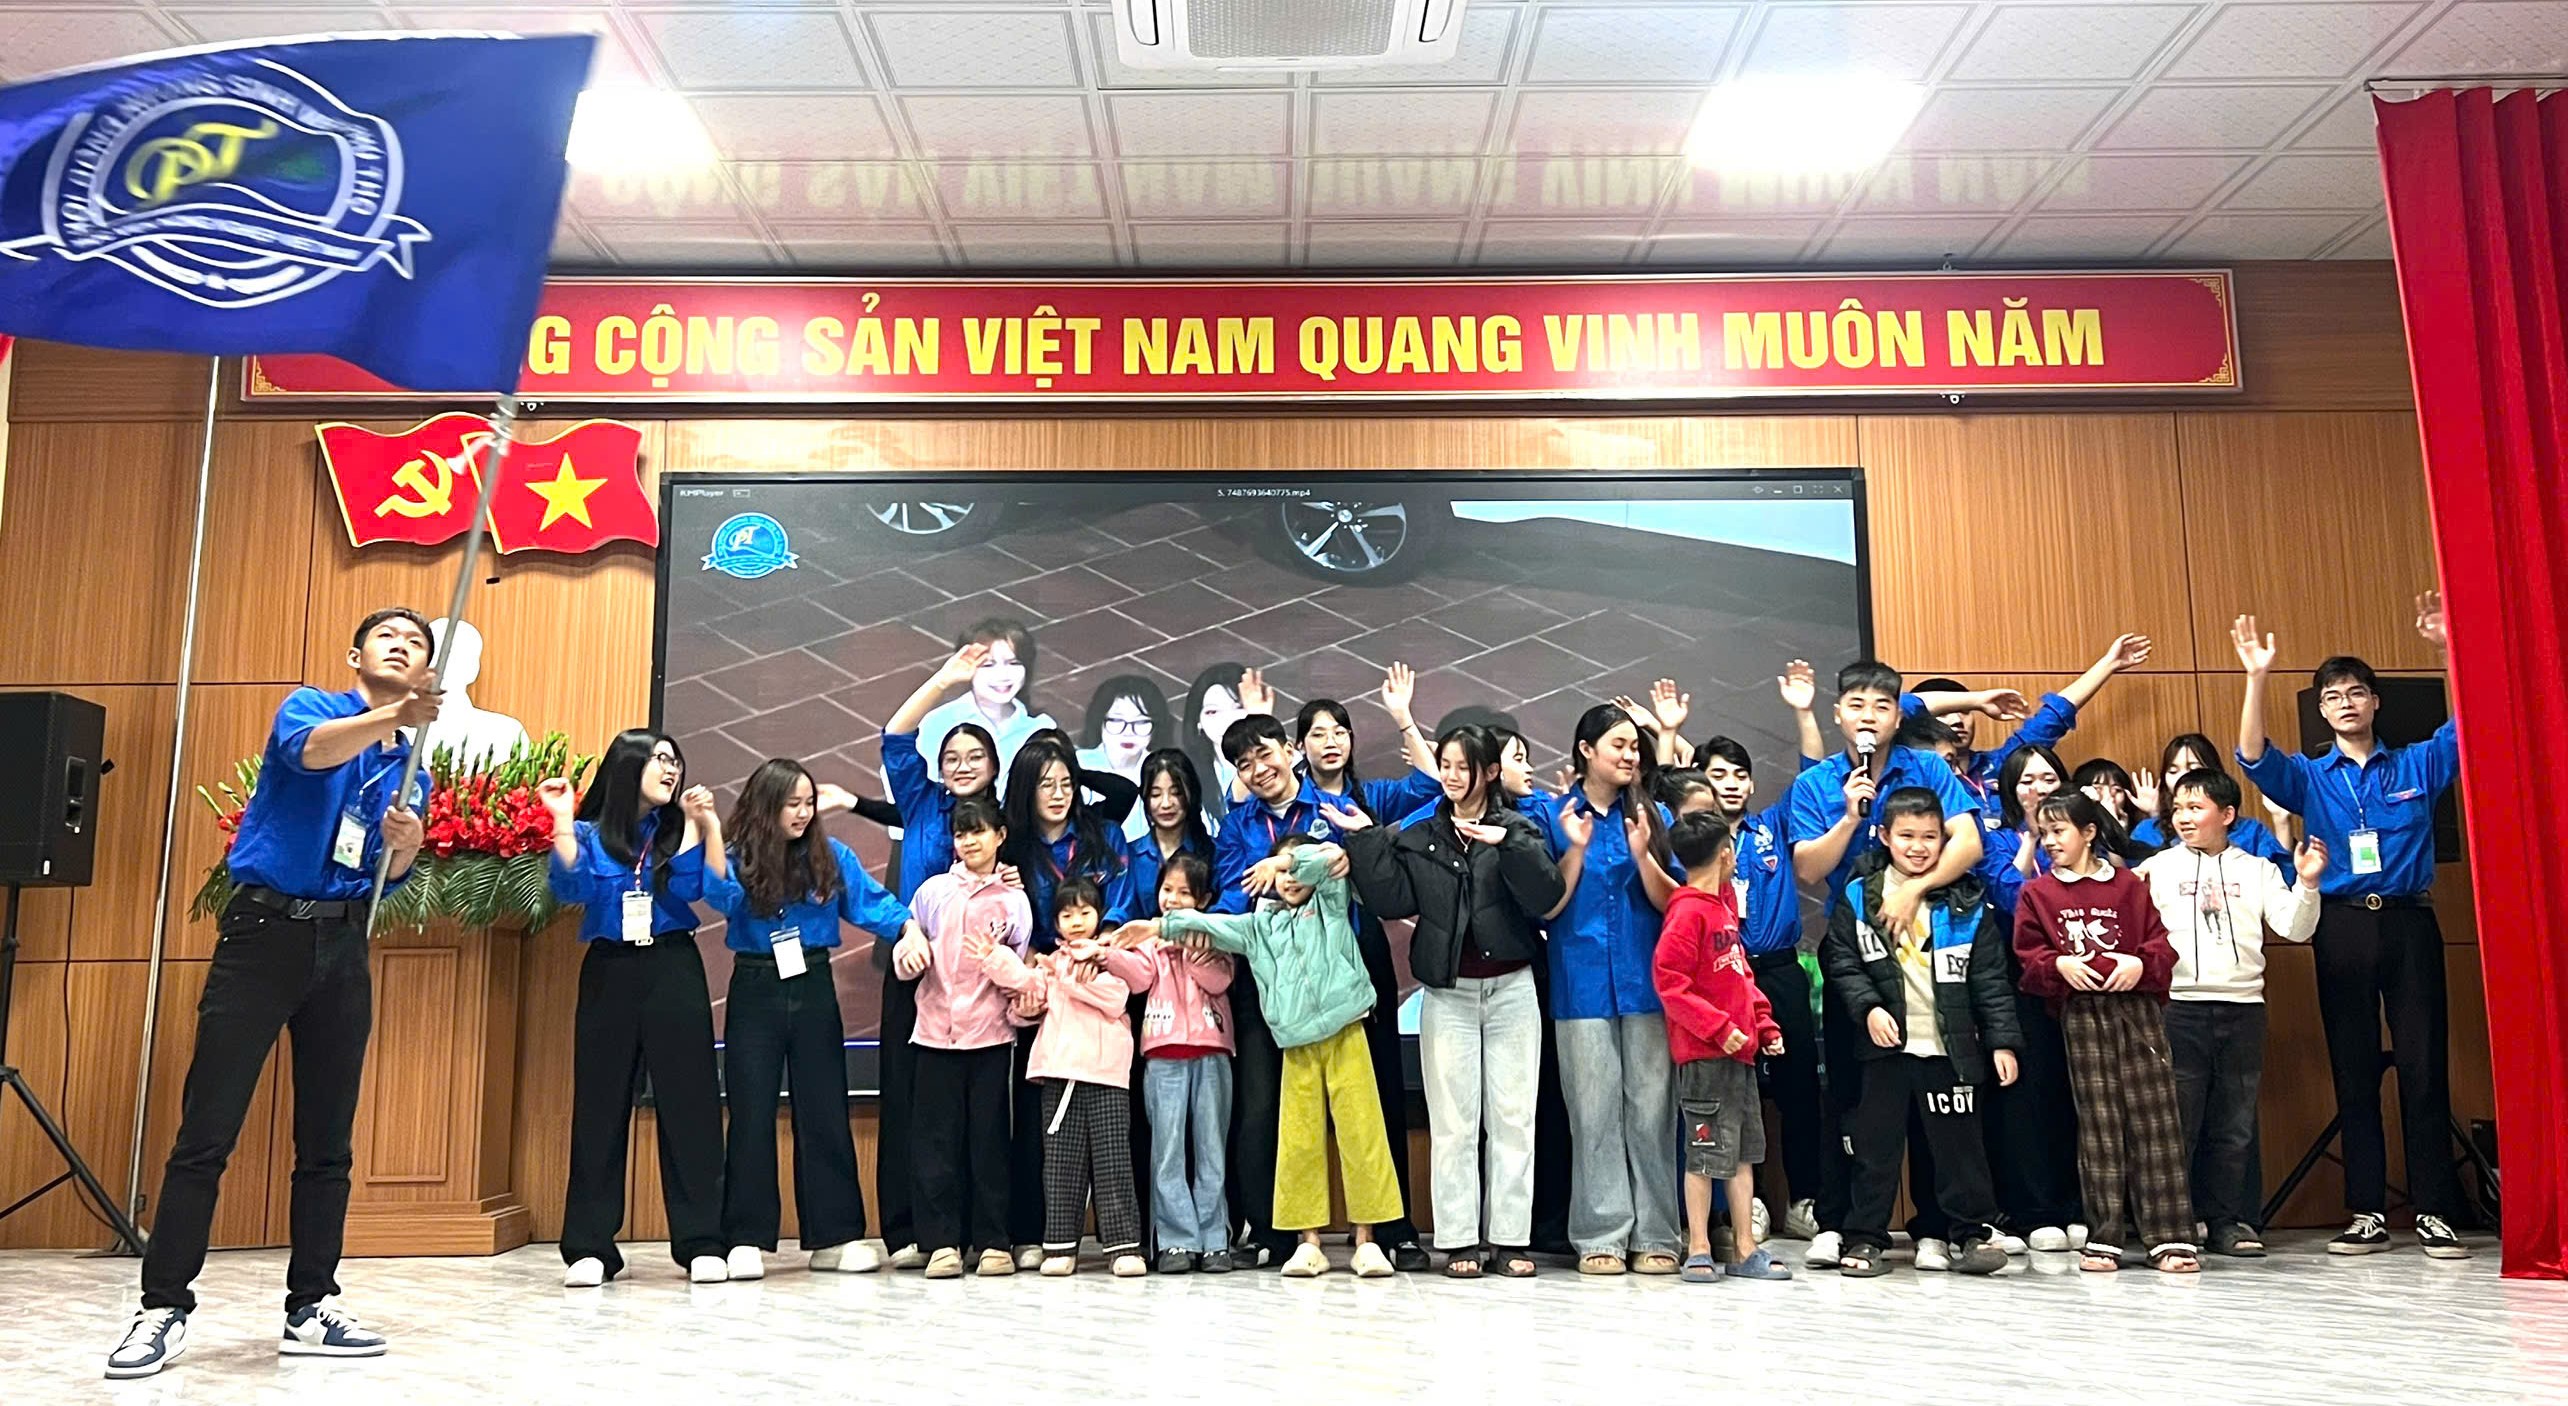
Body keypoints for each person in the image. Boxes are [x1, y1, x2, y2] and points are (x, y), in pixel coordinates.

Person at [108, 608, 439, 1379]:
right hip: (263, 935)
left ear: (427, 669)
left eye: (416, 642)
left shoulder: (411, 769)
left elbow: (387, 877)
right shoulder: (311, 707)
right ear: (354, 654)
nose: (401, 646)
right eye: (387, 637)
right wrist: (395, 714)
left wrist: (406, 849)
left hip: (344, 942)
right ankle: (162, 1307)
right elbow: (313, 754)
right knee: (207, 1129)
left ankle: (311, 1306)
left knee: (328, 1142)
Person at [2232, 599, 2471, 1258]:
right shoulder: (2310, 777)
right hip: (2340, 927)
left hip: (2410, 923)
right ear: (2323, 710)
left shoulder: (2417, 765)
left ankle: (2435, 1211)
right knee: (2354, 1068)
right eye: (2333, 696)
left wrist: (2447, 650)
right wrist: (2256, 677)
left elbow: (2467, 725)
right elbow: (2251, 756)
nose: (2345, 703)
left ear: (2374, 703)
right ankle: (2367, 1209)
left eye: (2356, 693)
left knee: (2424, 1067)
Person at [1344, 724, 1565, 1280]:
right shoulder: (1424, 833)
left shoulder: (1520, 828)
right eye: (1444, 765)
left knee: (1513, 1119)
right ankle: (1460, 1239)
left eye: (1463, 766)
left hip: (1512, 989)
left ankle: (1510, 1239)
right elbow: (1391, 899)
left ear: (1489, 772)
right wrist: (1366, 840)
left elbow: (1545, 896)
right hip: (1449, 993)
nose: (1450, 776)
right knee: (1453, 1123)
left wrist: (1507, 845)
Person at [1784, 661, 1981, 1268]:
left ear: (1899, 716)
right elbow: (1808, 869)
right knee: (1849, 1093)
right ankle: (1840, 1223)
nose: (1869, 717)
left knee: (1931, 1089)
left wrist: (1915, 889)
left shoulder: (1927, 768)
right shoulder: (1817, 783)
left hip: (1925, 942)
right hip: (1853, 948)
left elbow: (1969, 842)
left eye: (1881, 706)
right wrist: (1851, 816)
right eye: (1857, 705)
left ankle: (1935, 1225)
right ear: (1838, 714)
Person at [698, 759, 922, 1281]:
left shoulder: (831, 855)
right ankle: (746, 1237)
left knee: (824, 1108)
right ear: (765, 806)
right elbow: (719, 895)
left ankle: (835, 1236)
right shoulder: (739, 855)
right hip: (755, 987)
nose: (802, 813)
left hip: (814, 985)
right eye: (791, 804)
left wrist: (908, 927)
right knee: (752, 1112)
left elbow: (871, 904)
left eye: (808, 803)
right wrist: (709, 827)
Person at [1148, 836, 1403, 1278]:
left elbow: (1327, 858)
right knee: (1298, 1142)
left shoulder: (1331, 901)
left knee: (1362, 1134)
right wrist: (1154, 927)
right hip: (1296, 1043)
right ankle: (1309, 1243)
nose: (1288, 879)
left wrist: (1281, 860)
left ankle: (1367, 1240)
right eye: (1281, 875)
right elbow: (1208, 925)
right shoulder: (1258, 925)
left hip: (1347, 1032)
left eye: (1292, 872)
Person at [538, 731, 726, 1289]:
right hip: (610, 970)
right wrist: (562, 821)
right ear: (628, 765)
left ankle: (702, 1241)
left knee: (690, 1105)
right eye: (660, 759)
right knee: (600, 1107)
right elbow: (571, 888)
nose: (672, 769)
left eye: (676, 761)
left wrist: (697, 825)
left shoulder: (675, 828)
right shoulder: (589, 833)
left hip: (672, 966)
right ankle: (590, 1247)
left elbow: (695, 890)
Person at [1818, 787, 2019, 1280]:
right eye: (1907, 835)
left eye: (1930, 837)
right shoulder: (1859, 894)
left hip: (1950, 1051)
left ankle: (1971, 1234)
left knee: (1960, 1152)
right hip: (1885, 1052)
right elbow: (1842, 960)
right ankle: (1865, 1238)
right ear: (1885, 836)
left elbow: (1991, 980)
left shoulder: (1968, 901)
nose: (1918, 846)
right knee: (1875, 1150)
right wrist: (1868, 1008)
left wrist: (2002, 1042)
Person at [2134, 770, 2325, 1258]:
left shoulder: (2258, 870)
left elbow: (2296, 929)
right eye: (2178, 808)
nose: (2183, 817)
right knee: (2177, 1123)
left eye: (2195, 808)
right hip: (2177, 1009)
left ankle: (2227, 1222)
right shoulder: (2157, 868)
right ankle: (2173, 1224)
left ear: (2227, 814)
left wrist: (2307, 884)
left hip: (2243, 1010)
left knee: (2234, 1125)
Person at [2013, 793, 2196, 1274]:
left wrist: (2139, 964)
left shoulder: (2127, 885)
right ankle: (2105, 1236)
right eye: (2044, 833)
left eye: (2059, 831)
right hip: (2082, 1012)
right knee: (2099, 1124)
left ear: (2089, 832)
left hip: (2137, 1008)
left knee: (2156, 1119)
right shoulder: (2038, 893)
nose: (2050, 841)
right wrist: (2058, 965)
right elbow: (2029, 960)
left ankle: (2170, 1236)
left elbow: (2161, 946)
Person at [1686, 662, 1830, 1247]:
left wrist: (1803, 711)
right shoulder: (1693, 840)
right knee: (1729, 1095)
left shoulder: (1772, 824)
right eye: (1717, 774)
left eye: (1740, 775)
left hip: (1778, 971)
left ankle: (1804, 1200)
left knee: (1797, 1089)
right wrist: (1667, 735)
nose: (1731, 784)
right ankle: (1744, 1210)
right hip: (1721, 980)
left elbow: (1814, 774)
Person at [1539, 704, 1685, 1276]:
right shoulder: (1553, 815)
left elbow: (1674, 902)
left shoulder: (1656, 814)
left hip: (1647, 982)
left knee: (1652, 1111)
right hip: (1579, 984)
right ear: (1585, 750)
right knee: (1593, 1112)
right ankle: (1600, 1235)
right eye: (1617, 745)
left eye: (1634, 747)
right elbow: (1547, 905)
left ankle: (1658, 1234)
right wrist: (1575, 849)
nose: (1629, 755)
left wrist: (1644, 854)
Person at [875, 643, 1007, 1270]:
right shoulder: (922, 802)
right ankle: (914, 1232)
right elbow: (894, 735)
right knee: (911, 1103)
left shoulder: (1007, 821)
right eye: (951, 757)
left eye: (974, 756)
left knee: (984, 1117)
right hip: (917, 970)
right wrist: (946, 682)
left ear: (994, 765)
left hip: (987, 984)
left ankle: (989, 1234)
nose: (961, 766)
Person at [997, 735, 1136, 1265]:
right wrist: (1037, 964)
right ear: (1025, 790)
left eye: (1065, 783)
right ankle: (1039, 1236)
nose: (1057, 794)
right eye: (1044, 784)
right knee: (1045, 1128)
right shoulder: (1014, 849)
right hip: (1046, 985)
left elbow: (1121, 902)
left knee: (1111, 1130)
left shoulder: (1103, 834)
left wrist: (1103, 949)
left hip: (1102, 978)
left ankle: (1122, 1239)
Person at [896, 793, 1033, 1279]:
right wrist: (908, 956)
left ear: (1000, 836)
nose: (969, 841)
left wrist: (1006, 970)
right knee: (936, 1145)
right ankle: (941, 1243)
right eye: (961, 833)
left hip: (991, 1037)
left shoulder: (1014, 901)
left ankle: (993, 1241)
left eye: (979, 831)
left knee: (989, 1143)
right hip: (935, 1036)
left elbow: (1022, 970)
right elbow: (908, 950)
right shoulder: (933, 892)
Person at [982, 878, 1148, 1278]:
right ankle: (1060, 1246)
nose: (1076, 921)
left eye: (1085, 912)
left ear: (1099, 916)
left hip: (1106, 1075)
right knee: (1060, 1166)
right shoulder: (1050, 963)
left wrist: (1070, 982)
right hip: (1058, 1073)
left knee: (1112, 1163)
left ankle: (1123, 1247)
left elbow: (1115, 999)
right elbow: (1027, 994)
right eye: (1067, 915)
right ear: (1056, 923)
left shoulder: (1110, 957)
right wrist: (997, 961)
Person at [1653, 812, 1792, 1284]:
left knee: (1742, 1154)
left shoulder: (1723, 908)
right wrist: (1716, 1027)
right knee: (1704, 1154)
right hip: (1705, 1058)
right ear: (1727, 855)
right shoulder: (1687, 911)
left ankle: (1745, 1246)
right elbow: (1670, 982)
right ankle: (1698, 1246)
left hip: (1740, 1056)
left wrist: (1763, 1024)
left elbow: (1740, 974)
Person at [1976, 742, 2089, 1256]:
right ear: (2009, 788)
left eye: (2048, 778)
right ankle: (2034, 1210)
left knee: (2078, 1093)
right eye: (2026, 780)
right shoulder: (1997, 837)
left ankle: (2077, 1205)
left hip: (2080, 976)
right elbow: (2011, 895)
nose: (2038, 788)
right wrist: (2030, 838)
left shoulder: (2080, 837)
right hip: (2020, 977)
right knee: (2027, 1094)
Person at [1118, 853, 1236, 1273]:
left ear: (1203, 900)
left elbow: (1218, 979)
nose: (1172, 899)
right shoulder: (1149, 941)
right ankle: (1174, 1241)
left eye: (1184, 893)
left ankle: (1214, 1239)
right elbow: (1137, 978)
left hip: (1211, 1051)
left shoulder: (1214, 935)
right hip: (1162, 1054)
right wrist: (1107, 952)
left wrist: (1186, 943)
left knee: (1211, 1150)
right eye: (1167, 890)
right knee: (1166, 1152)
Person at [1902, 632, 2154, 821]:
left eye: (1966, 711)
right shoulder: (1910, 773)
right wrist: (1976, 700)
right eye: (1945, 713)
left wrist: (2108, 664)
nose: (1957, 720)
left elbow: (2053, 717)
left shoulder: (2000, 765)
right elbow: (1898, 706)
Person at [916, 616, 1057, 784]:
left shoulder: (1041, 728)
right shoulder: (939, 722)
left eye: (1013, 663)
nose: (1002, 675)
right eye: (988, 665)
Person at [2131, 733, 2296, 875]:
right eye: (2173, 771)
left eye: (2193, 769)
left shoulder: (2250, 832)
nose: (2183, 778)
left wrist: (2281, 822)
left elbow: (2281, 880)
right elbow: (2132, 885)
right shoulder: (2148, 832)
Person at [1077, 675, 1174, 834]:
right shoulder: (1078, 764)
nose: (1128, 732)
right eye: (1116, 720)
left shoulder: (1164, 771)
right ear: (1099, 721)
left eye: (1141, 722)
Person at [1181, 661, 1252, 826]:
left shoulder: (1286, 760)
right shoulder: (1185, 773)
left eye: (1238, 707)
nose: (1227, 721)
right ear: (1198, 722)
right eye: (1212, 711)